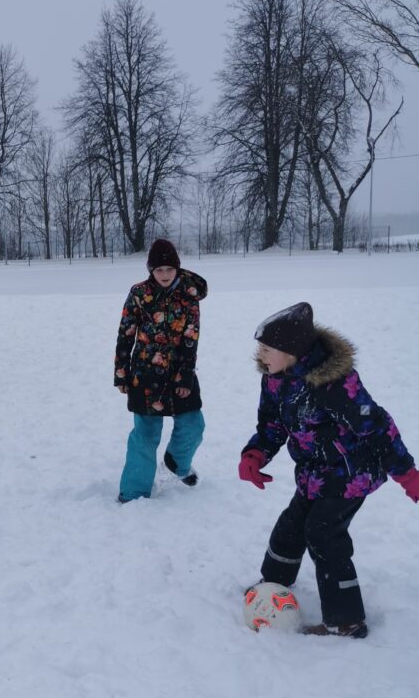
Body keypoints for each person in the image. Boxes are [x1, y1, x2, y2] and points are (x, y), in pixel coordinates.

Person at [239, 301, 418, 638]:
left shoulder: (334, 385)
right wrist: (255, 454)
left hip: (353, 473)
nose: (259, 354)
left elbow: (378, 427)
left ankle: (346, 620)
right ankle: (274, 584)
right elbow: (272, 424)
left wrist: (407, 474)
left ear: (291, 351)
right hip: (315, 472)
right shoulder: (275, 379)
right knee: (292, 524)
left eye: (266, 348)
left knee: (323, 532)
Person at [114, 238, 207, 503]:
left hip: (179, 370)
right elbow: (126, 334)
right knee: (145, 434)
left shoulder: (189, 294)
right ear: (150, 270)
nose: (164, 275)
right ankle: (133, 492)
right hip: (145, 373)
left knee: (193, 425)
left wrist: (185, 376)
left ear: (177, 268)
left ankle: (177, 463)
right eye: (159, 270)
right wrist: (121, 373)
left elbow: (191, 336)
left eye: (169, 269)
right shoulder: (139, 294)